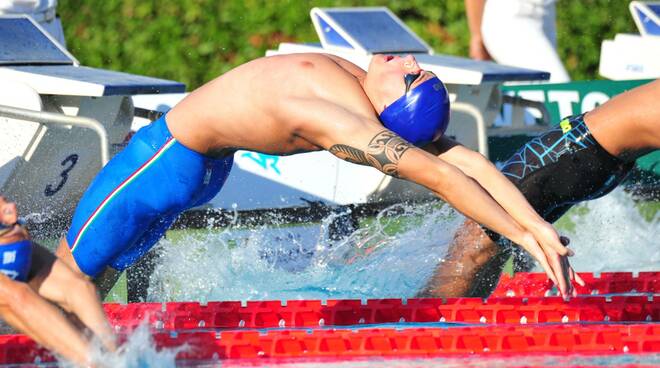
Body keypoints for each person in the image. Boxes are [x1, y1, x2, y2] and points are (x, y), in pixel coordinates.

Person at [54, 53, 577, 298]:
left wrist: (521, 239)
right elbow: (471, 161)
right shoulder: (363, 88)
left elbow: (443, 177)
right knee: (101, 278)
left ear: (395, 105)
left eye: (413, 74)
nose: (410, 58)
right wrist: (537, 227)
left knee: (66, 275)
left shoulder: (346, 123)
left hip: (164, 158)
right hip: (198, 167)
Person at [419, 79, 660, 298]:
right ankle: (448, 321)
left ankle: (422, 322)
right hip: (599, 162)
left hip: (571, 149)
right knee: (487, 253)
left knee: (472, 252)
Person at [0, 196, 115, 366]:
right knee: (15, 297)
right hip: (9, 238)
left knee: (78, 289)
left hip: (11, 240)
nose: (12, 209)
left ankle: (113, 358)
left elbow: (76, 290)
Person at [464, 0, 570, 83]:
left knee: (524, 96)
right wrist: (477, 35)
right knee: (561, 90)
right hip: (511, 16)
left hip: (546, 14)